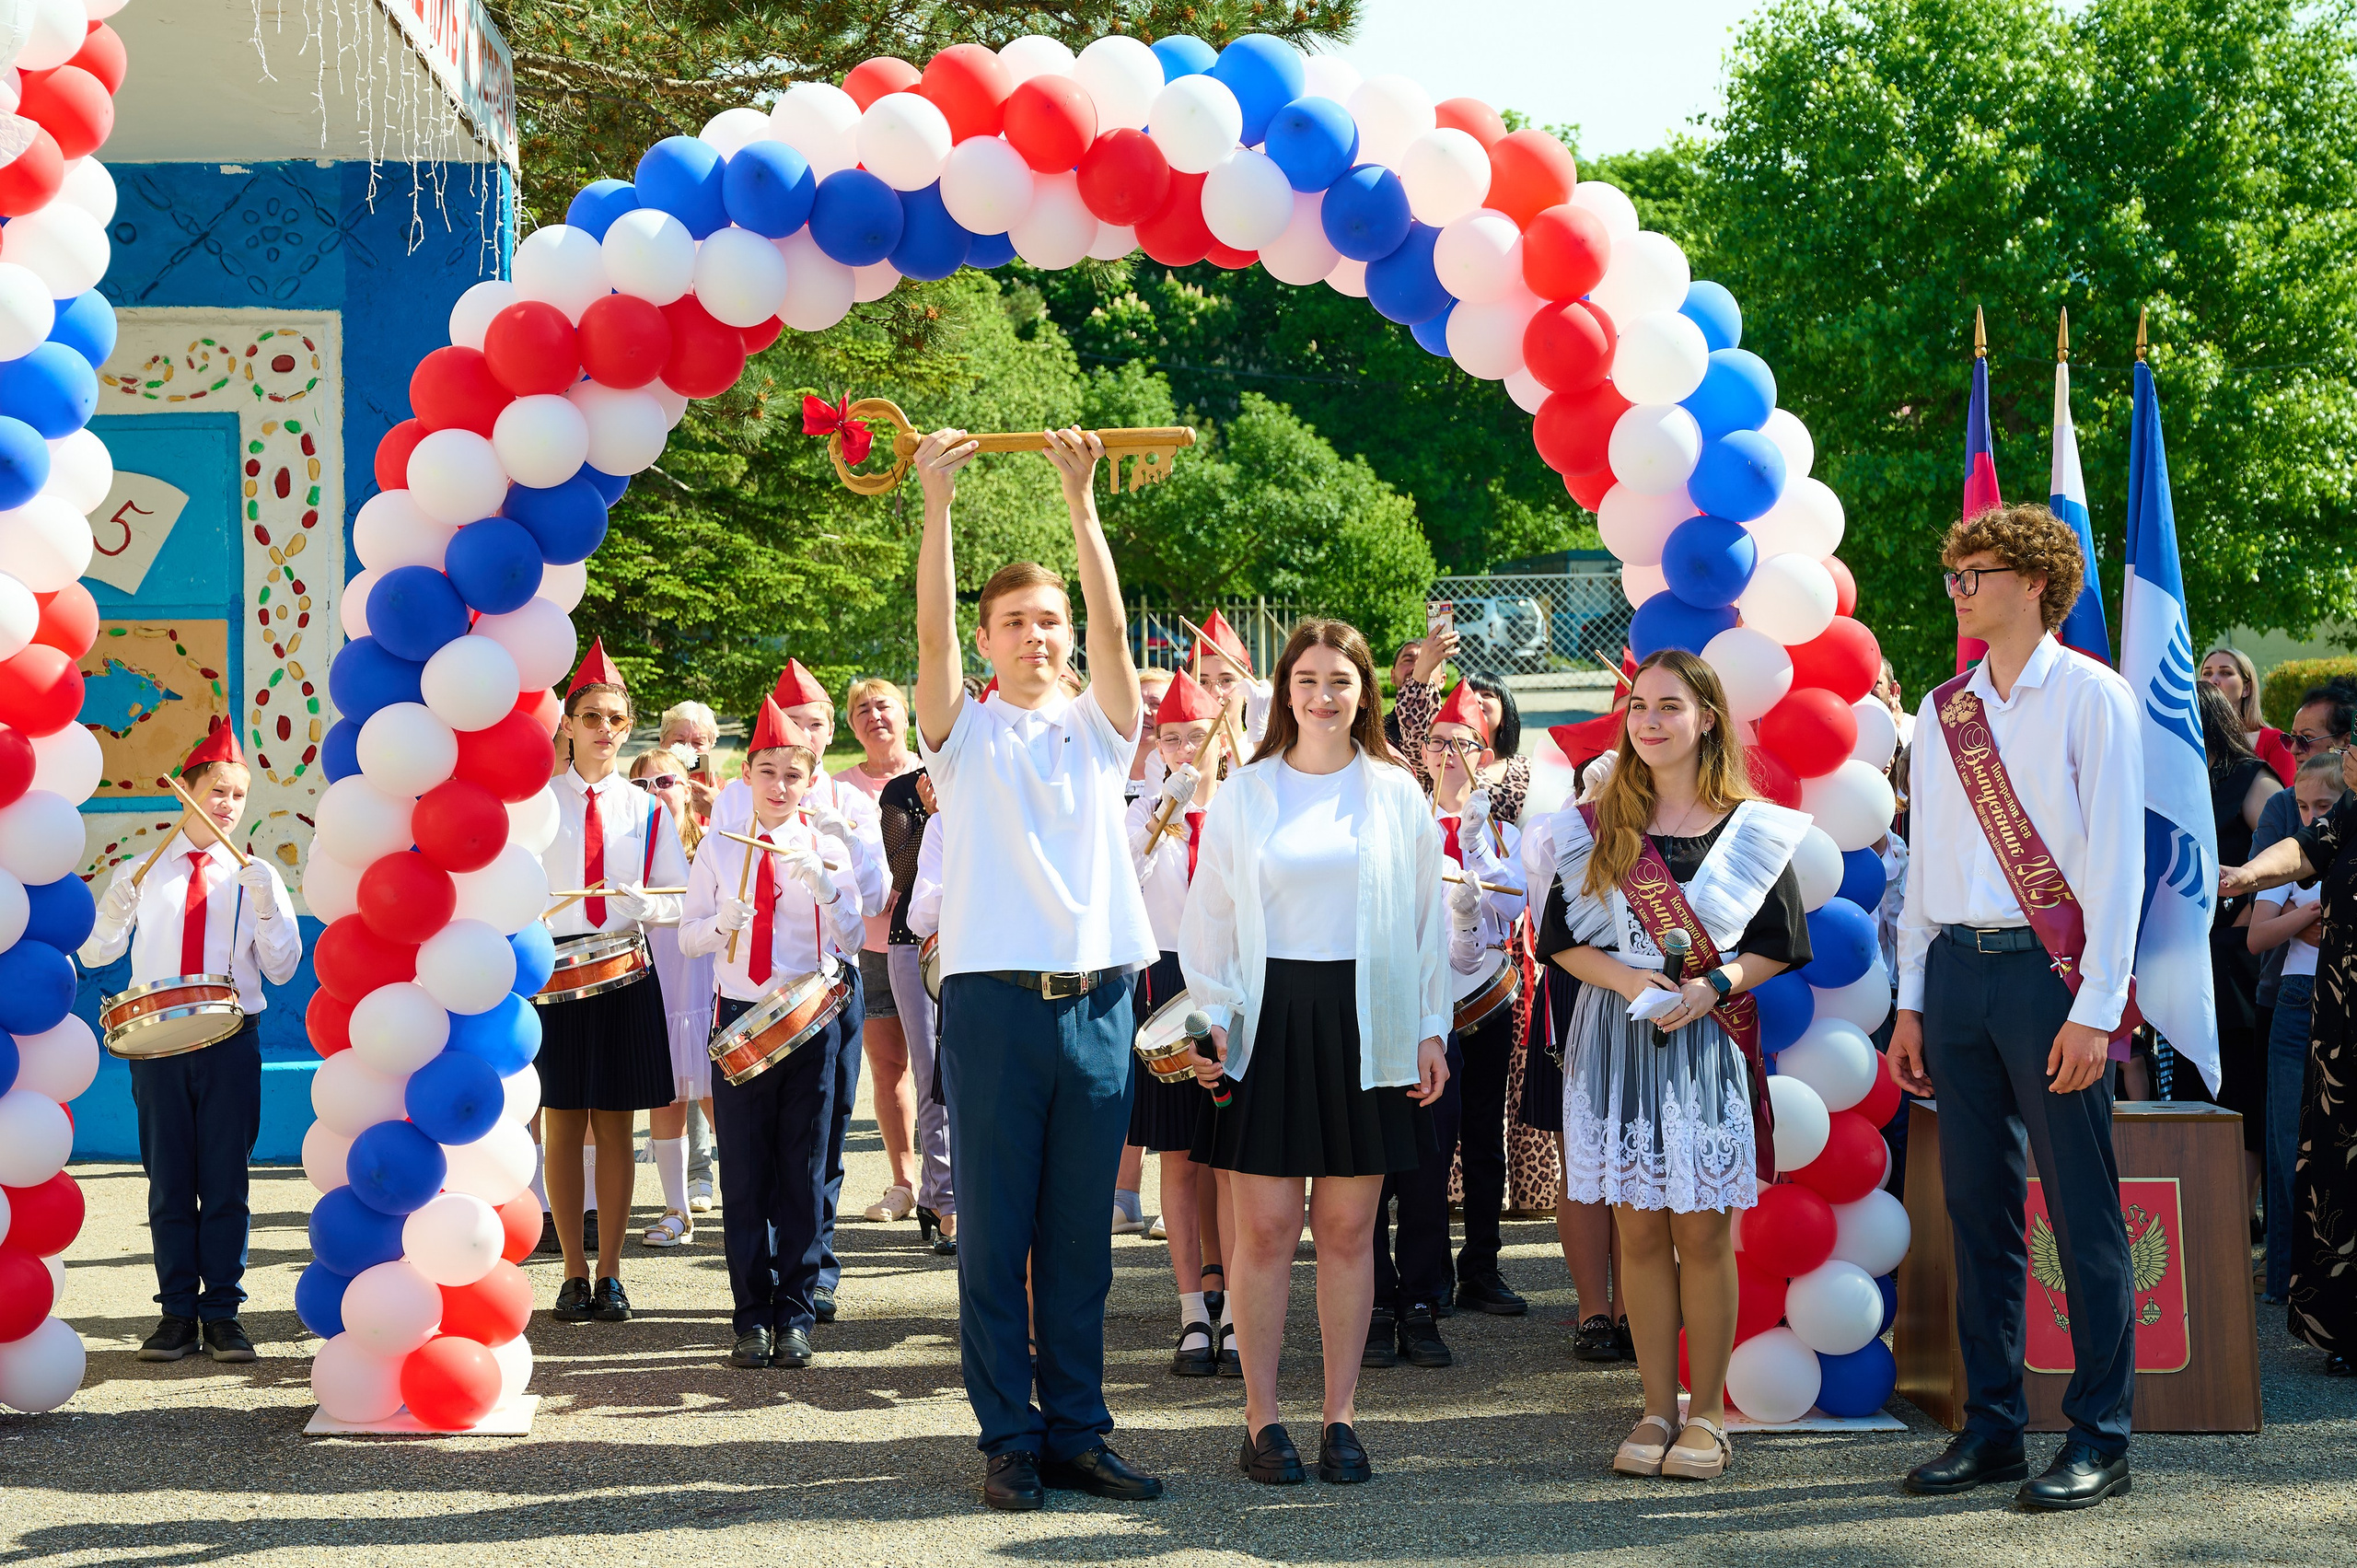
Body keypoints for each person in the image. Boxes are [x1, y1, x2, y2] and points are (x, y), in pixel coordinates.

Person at [911, 422, 1164, 1511]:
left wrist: (1082, 504)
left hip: (1099, 999)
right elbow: (926, 644)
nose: (1037, 636)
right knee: (993, 1240)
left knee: (1079, 1243)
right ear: (988, 635)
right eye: (1014, 622)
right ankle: (1007, 1438)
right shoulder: (961, 732)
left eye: (1049, 620)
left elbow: (1115, 627)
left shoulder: (1104, 726)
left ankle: (1077, 1432)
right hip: (992, 1004)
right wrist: (936, 507)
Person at [1890, 504, 2143, 1510]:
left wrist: (2096, 1006)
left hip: (2051, 983)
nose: (1957, 588)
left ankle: (2100, 1436)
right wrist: (1911, 1000)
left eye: (1975, 572)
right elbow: (1923, 866)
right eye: (1952, 573)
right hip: (1954, 972)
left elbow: (2120, 865)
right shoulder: (1942, 703)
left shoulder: (2094, 696)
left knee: (2081, 1214)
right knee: (1974, 1209)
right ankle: (1991, 1426)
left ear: (2034, 582)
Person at [1180, 618, 1452, 1489]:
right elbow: (1211, 918)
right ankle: (1262, 1419)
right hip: (1268, 1023)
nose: (1323, 695)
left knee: (1345, 1230)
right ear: (1284, 690)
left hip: (1365, 1026)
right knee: (1261, 1230)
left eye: (1340, 679)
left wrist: (1429, 1026)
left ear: (1364, 690)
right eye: (1307, 679)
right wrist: (1211, 1019)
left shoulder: (1395, 791)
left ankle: (1340, 1416)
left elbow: (1423, 923)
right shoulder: (1246, 792)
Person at [1538, 650, 1810, 1482]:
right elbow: (1559, 940)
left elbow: (1779, 945)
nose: (1650, 721)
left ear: (1707, 719)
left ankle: (1709, 1413)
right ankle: (1654, 1408)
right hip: (1618, 1038)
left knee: (1701, 1229)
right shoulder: (1595, 822)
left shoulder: (1753, 827)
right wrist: (1630, 979)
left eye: (1669, 706)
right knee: (1638, 1228)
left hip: (1707, 1038)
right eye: (1639, 707)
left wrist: (1714, 985)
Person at [80, 723, 300, 1363]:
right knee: (169, 1180)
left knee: (227, 1180)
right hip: (157, 1044)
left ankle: (223, 1313)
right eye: (218, 789)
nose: (228, 803)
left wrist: (267, 906)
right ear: (189, 791)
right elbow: (97, 954)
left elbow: (282, 969)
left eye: (238, 794)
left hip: (232, 1041)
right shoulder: (141, 872)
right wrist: (116, 906)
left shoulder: (255, 874)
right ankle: (175, 1313)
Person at [677, 703, 865, 1369]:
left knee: (804, 1170)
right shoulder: (722, 845)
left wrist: (829, 890)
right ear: (748, 775)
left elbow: (853, 939)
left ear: (810, 777)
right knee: (746, 1175)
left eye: (792, 773)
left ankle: (797, 1313)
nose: (779, 785)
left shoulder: (826, 844)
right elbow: (688, 936)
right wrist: (721, 920)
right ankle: (750, 1315)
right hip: (741, 1018)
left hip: (809, 1022)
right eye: (767, 772)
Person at [714, 659, 888, 1322]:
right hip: (760, 992)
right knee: (767, 1144)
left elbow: (872, 901)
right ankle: (770, 1283)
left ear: (826, 731)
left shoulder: (849, 801)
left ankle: (815, 1267)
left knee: (825, 1131)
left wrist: (849, 851)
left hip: (830, 989)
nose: (806, 735)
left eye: (815, 725)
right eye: (796, 725)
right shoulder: (743, 798)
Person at [1369, 679, 1527, 1374]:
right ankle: (1381, 1297)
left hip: (1474, 1002)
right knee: (1378, 1159)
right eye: (1435, 741)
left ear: (1484, 751)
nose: (1448, 753)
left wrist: (1473, 902)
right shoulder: (1399, 817)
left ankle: (1449, 1281)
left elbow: (1513, 907)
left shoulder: (1502, 829)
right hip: (1392, 1002)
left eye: (1462, 741)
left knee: (1459, 1143)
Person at [537, 641, 690, 1324]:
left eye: (616, 720)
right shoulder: (534, 807)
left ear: (629, 729)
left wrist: (644, 902)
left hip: (626, 971)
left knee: (618, 1124)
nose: (604, 730)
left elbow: (679, 898)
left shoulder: (648, 809)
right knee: (564, 1123)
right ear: (567, 724)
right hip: (556, 975)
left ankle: (613, 1271)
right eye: (591, 716)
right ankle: (571, 1271)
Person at [2221, 740, 2357, 1376]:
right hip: (2338, 1016)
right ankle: (2346, 1327)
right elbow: (2304, 847)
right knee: (2334, 1163)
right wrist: (2248, 876)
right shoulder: (2349, 814)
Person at [1124, 669, 1235, 1376]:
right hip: (1164, 976)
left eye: (1196, 733)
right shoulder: (1136, 802)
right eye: (1171, 736)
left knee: (1231, 1151)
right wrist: (1158, 813)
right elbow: (1120, 883)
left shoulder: (1247, 801)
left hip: (1229, 978)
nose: (1185, 745)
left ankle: (1234, 1299)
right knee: (1178, 1152)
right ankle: (1192, 1309)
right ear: (1157, 744)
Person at [2247, 750, 2342, 1304]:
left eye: (2323, 806)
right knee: (2286, 1147)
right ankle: (2287, 1281)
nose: (2309, 817)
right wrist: (2308, 917)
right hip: (2293, 1002)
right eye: (2302, 806)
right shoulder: (2292, 859)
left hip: (2339, 1003)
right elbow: (2259, 936)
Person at [833, 677, 927, 1230]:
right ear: (851, 724)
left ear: (907, 712)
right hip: (870, 944)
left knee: (942, 1066)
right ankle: (903, 1181)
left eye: (884, 704)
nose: (874, 715)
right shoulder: (839, 787)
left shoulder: (931, 773)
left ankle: (951, 1181)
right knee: (889, 1066)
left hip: (930, 941)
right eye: (861, 709)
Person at [2198, 681, 2281, 1204]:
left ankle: (2236, 1213)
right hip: (2185, 958)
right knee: (2192, 1093)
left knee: (2238, 1095)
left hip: (2233, 960)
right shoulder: (2163, 783)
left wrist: (2247, 910)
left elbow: (2288, 847)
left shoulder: (2251, 778)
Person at [631, 745, 714, 1250]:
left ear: (688, 787)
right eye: (642, 785)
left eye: (665, 782)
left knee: (718, 1095)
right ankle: (676, 1208)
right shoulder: (630, 852)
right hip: (656, 985)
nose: (654, 793)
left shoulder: (711, 843)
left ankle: (751, 1204)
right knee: (665, 1096)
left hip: (704, 983)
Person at [877, 761, 955, 1254]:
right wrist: (934, 815)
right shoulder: (904, 790)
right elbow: (903, 871)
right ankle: (946, 1201)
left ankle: (941, 1192)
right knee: (931, 1073)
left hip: (988, 938)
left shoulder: (1001, 774)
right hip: (917, 939)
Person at [1395, 630, 1532, 823]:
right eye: (1469, 694)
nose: (1476, 699)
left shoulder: (1527, 768)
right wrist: (1423, 669)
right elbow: (1415, 719)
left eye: (1487, 695)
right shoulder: (1439, 758)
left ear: (1504, 715)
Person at [2201, 647, 2294, 784]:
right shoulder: (2193, 740)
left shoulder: (2275, 741)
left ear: (2247, 689)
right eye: (2207, 673)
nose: (2213, 681)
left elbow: (2287, 802)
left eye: (2225, 672)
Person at [657, 700, 721, 824]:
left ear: (711, 745)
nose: (688, 749)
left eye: (698, 743)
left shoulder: (726, 792)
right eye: (679, 741)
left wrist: (719, 809)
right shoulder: (648, 786)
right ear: (662, 742)